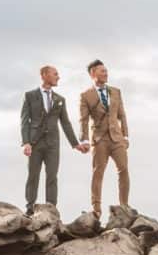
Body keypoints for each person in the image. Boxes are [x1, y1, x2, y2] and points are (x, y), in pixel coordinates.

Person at [20, 65, 87, 214]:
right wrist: (26, 143)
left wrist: (75, 144)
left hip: (53, 144)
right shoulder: (29, 96)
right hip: (34, 143)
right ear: (44, 75)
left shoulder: (60, 99)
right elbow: (24, 121)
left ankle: (51, 209)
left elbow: (65, 123)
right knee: (33, 176)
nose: (58, 77)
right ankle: (29, 209)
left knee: (52, 177)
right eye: (55, 74)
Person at [78, 59, 130, 217]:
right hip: (99, 139)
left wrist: (126, 135)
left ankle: (124, 206)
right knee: (98, 172)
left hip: (117, 138)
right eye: (102, 71)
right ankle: (96, 209)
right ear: (93, 73)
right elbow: (84, 119)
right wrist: (85, 140)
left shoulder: (116, 91)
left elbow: (122, 115)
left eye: (106, 71)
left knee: (123, 169)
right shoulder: (86, 95)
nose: (106, 73)